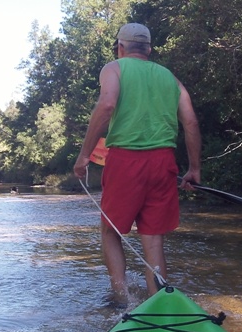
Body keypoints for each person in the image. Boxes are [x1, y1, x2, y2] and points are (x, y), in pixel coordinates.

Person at [73, 23, 201, 299]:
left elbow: (107, 105)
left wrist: (84, 155)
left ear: (120, 47)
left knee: (111, 231)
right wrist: (194, 169)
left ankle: (121, 298)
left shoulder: (114, 68)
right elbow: (190, 121)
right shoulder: (169, 77)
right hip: (164, 163)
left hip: (125, 161)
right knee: (153, 238)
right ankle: (157, 302)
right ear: (149, 49)